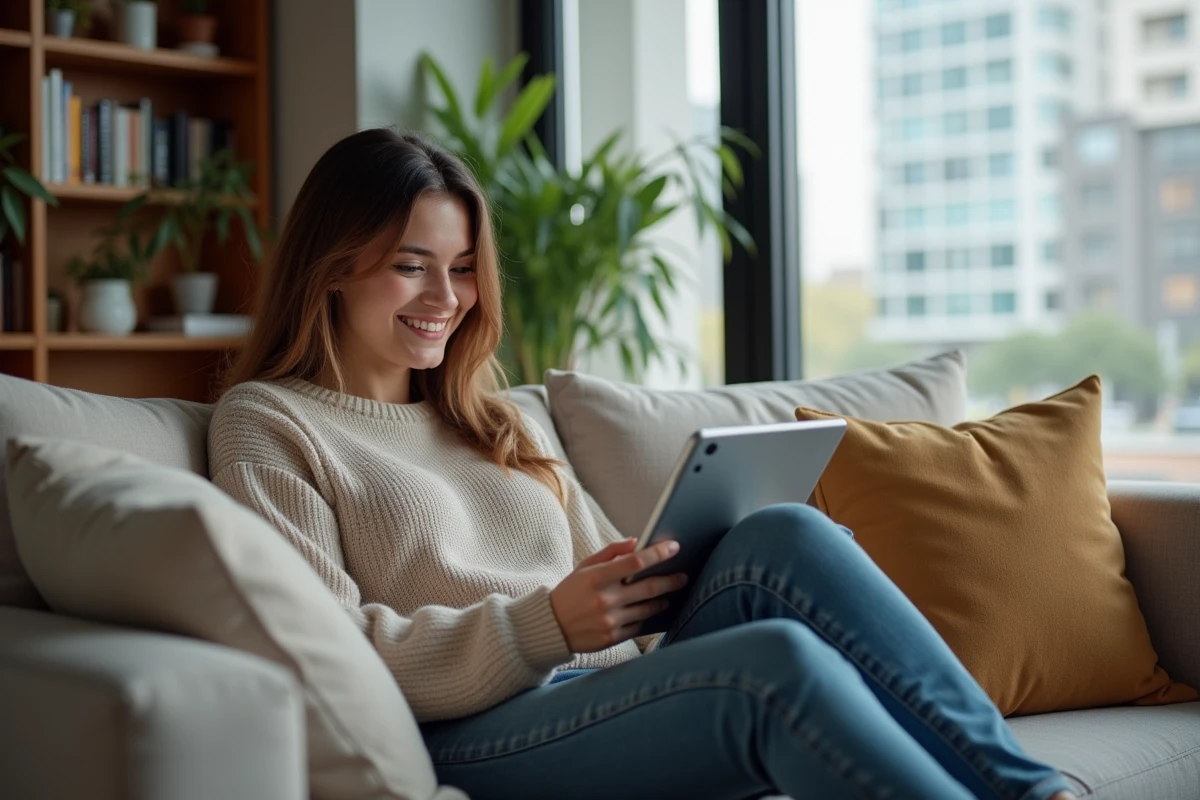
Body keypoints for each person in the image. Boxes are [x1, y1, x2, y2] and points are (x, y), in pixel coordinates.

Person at [208, 128, 1077, 800]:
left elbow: (604, 570)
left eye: (465, 269)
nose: (447, 299)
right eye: (412, 267)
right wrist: (543, 625)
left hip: (598, 690)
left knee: (785, 531)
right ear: (332, 268)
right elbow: (328, 654)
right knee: (774, 661)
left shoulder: (494, 418)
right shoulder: (271, 425)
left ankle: (1027, 790)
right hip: (470, 727)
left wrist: (642, 575)